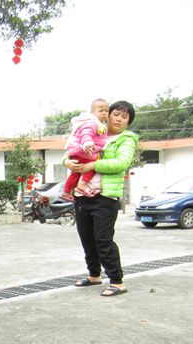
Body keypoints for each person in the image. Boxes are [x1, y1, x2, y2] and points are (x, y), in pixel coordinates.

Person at [64, 100, 138, 297]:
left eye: (124, 117)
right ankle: (94, 275)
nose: (119, 119)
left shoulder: (126, 140)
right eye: (116, 114)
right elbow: (72, 148)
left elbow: (121, 163)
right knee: (87, 239)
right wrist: (67, 163)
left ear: (128, 122)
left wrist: (92, 166)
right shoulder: (95, 129)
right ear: (108, 115)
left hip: (104, 197)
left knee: (103, 241)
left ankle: (117, 281)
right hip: (82, 196)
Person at [61, 99, 109, 201]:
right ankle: (83, 185)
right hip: (85, 152)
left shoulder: (98, 123)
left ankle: (66, 192)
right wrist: (88, 144)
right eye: (101, 111)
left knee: (75, 173)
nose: (104, 113)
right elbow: (86, 134)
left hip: (78, 153)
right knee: (94, 165)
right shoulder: (93, 123)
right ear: (92, 113)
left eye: (106, 111)